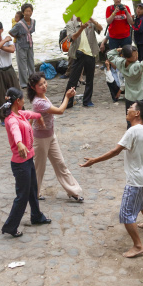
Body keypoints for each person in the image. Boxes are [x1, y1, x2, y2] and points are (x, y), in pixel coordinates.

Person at [80, 101, 143, 258]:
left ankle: (138, 245)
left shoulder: (132, 131)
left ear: (137, 113)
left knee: (126, 214)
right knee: (142, 203)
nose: (128, 109)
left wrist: (94, 160)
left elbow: (115, 151)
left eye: (131, 108)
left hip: (135, 179)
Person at [0, 88, 51, 238]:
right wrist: (20, 143)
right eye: (22, 99)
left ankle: (36, 216)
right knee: (22, 196)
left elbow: (33, 114)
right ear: (17, 101)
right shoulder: (11, 119)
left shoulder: (20, 114)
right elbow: (15, 131)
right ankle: (10, 226)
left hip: (27, 160)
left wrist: (39, 117)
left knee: (32, 189)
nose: (24, 102)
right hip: (20, 164)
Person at [27, 72, 84, 202]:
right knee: (39, 168)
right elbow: (60, 111)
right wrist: (67, 97)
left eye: (44, 82)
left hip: (50, 136)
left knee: (60, 164)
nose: (44, 86)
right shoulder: (39, 102)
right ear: (33, 87)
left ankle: (73, 191)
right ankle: (34, 194)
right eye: (40, 85)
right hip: (40, 140)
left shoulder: (42, 97)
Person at [107, 44, 143, 131]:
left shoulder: (120, 62)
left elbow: (110, 55)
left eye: (136, 53)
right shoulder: (135, 67)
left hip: (129, 96)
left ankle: (131, 133)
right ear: (127, 58)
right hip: (140, 96)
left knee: (130, 118)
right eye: (134, 55)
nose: (137, 56)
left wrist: (119, 50)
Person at [64, 0, 102, 108]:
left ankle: (87, 100)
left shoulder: (89, 19)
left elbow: (100, 29)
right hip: (78, 53)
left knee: (90, 78)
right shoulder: (71, 22)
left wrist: (92, 20)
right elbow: (72, 38)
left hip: (90, 52)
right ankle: (68, 102)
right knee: (73, 80)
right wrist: (81, 28)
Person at [9, 3, 35, 89]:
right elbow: (11, 32)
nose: (28, 13)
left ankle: (33, 81)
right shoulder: (19, 24)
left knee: (31, 63)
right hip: (21, 45)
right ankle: (24, 83)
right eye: (26, 11)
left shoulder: (33, 22)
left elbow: (31, 32)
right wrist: (19, 37)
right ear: (23, 12)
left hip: (30, 45)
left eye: (30, 11)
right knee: (22, 65)